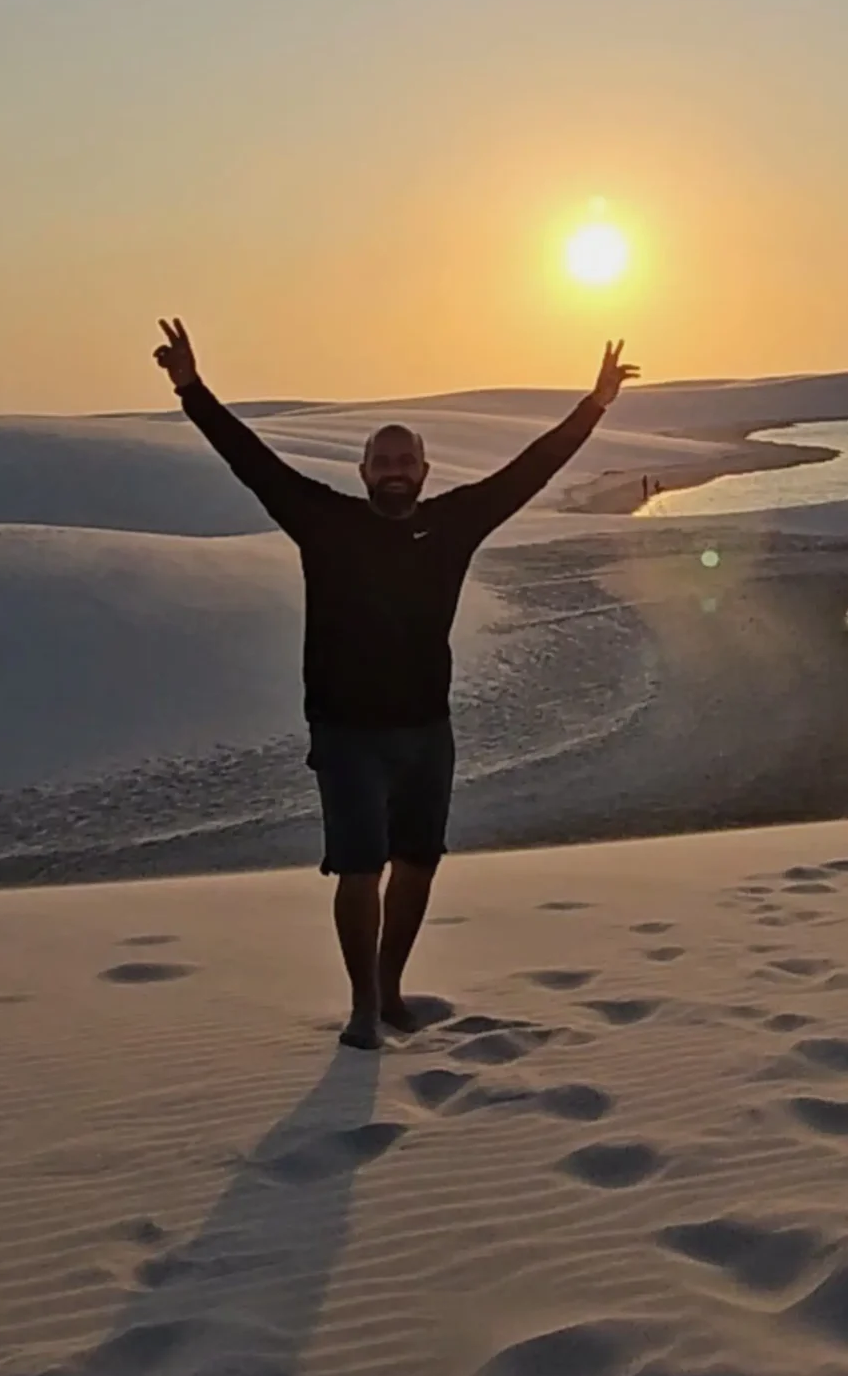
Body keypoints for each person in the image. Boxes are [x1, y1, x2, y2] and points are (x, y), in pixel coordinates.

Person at [152, 318, 637, 1047]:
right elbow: (252, 461)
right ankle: (360, 1008)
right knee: (359, 867)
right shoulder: (325, 522)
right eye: (382, 459)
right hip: (347, 732)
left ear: (425, 470)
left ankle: (390, 989)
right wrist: (191, 388)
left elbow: (532, 468)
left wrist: (595, 404)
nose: (394, 469)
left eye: (405, 458)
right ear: (364, 472)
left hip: (425, 732)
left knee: (417, 864)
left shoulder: (453, 523)